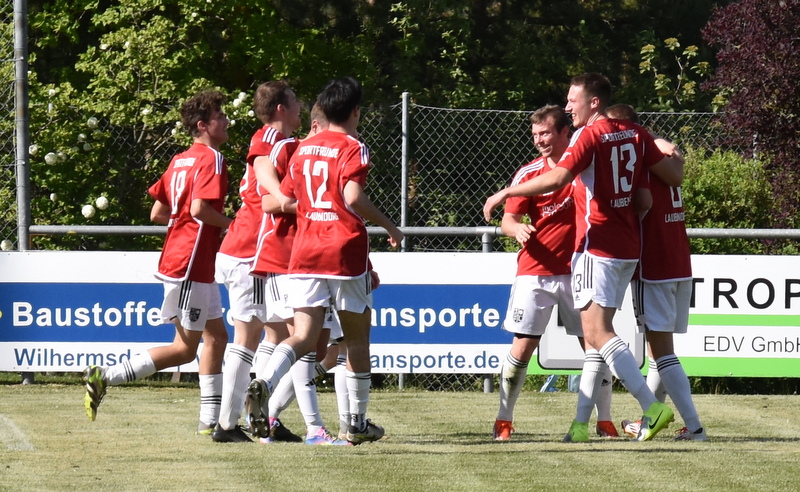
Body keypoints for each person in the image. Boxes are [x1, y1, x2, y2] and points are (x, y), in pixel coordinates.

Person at [483, 73, 684, 442]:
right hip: (627, 249)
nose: (567, 106)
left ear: (594, 102)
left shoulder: (587, 136)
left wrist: (504, 192)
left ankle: (650, 408)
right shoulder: (636, 133)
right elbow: (659, 187)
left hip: (596, 246)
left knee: (597, 334)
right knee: (596, 338)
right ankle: (580, 425)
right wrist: (669, 149)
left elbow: (560, 178)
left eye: (572, 100)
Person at [246, 76, 404, 445]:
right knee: (356, 340)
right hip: (343, 252)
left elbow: (284, 199)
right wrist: (389, 225)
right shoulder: (353, 147)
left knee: (303, 336)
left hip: (304, 251)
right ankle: (356, 424)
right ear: (355, 112)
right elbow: (353, 197)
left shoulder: (303, 149)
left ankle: (264, 382)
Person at [83, 90, 232, 433]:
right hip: (191, 263)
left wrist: (188, 223)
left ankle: (210, 421)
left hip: (187, 260)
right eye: (219, 116)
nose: (226, 121)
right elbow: (199, 209)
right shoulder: (212, 158)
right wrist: (232, 225)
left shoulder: (180, 159)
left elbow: (158, 212)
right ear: (203, 125)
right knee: (184, 349)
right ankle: (105, 376)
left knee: (217, 337)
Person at [492, 105, 616, 441]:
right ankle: (504, 419)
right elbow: (508, 220)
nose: (539, 140)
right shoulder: (528, 173)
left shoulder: (585, 168)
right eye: (535, 135)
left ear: (565, 132)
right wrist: (516, 229)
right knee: (523, 346)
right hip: (535, 271)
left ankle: (605, 420)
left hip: (580, 270)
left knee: (595, 343)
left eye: (545, 133)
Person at [248, 102, 350, 446]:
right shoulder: (289, 148)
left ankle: (268, 411)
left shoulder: (330, 154)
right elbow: (266, 200)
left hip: (315, 259)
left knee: (321, 349)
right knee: (304, 344)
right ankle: (314, 428)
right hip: (286, 259)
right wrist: (306, 204)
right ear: (318, 126)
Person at [605, 103, 707, 441]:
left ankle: (695, 428)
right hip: (678, 262)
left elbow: (643, 202)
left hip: (654, 265)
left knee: (662, 351)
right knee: (659, 349)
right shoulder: (662, 155)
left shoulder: (638, 160)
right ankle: (649, 422)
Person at [211, 81, 302, 443]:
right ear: (281, 108)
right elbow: (263, 167)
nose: (300, 106)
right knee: (249, 336)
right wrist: (283, 196)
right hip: (250, 248)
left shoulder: (284, 141)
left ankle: (259, 416)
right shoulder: (268, 137)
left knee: (279, 333)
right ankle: (227, 424)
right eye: (294, 100)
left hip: (254, 248)